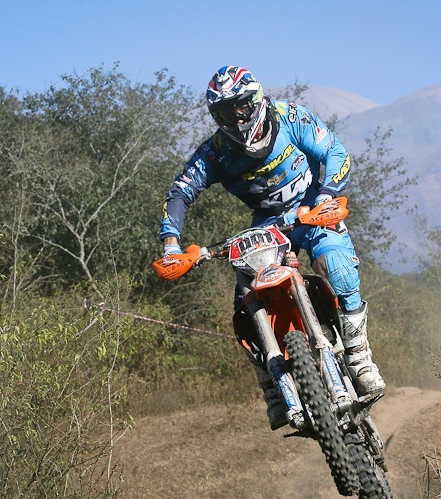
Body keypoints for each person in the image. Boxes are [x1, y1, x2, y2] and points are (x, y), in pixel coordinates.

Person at [159, 65, 385, 429]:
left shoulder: (290, 117)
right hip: (267, 224)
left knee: (337, 265)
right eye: (224, 111)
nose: (235, 117)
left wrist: (327, 194)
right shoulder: (216, 152)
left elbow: (335, 151)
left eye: (240, 106)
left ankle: (359, 356)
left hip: (312, 208)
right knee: (244, 299)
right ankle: (271, 385)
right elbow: (180, 191)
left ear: (256, 100)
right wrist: (172, 245)